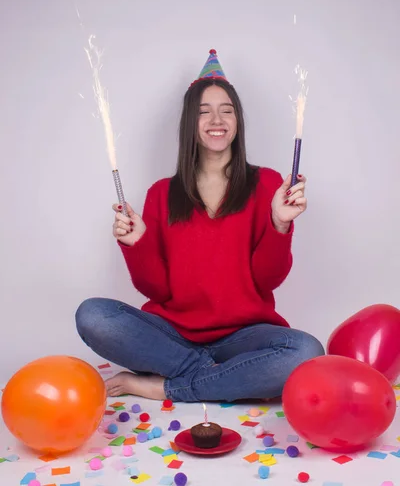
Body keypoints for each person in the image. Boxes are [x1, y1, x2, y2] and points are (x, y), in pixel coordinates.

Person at [75, 49, 324, 403]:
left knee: (306, 352)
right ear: (190, 123)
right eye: (204, 112)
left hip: (243, 337)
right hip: (172, 335)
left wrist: (279, 223)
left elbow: (268, 280)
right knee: (93, 315)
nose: (216, 120)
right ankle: (221, 377)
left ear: (238, 121)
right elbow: (157, 291)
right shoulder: (161, 193)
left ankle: (166, 385)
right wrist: (137, 243)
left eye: (227, 110)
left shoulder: (267, 184)